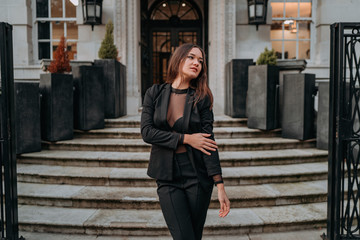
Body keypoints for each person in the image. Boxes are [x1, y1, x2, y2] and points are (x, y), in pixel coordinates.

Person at [141, 43, 230, 240]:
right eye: (191, 57)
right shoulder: (154, 93)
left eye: (200, 61)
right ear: (178, 59)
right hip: (167, 176)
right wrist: (187, 138)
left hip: (197, 177)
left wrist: (220, 185)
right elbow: (147, 132)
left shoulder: (202, 98)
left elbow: (209, 142)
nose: (196, 63)